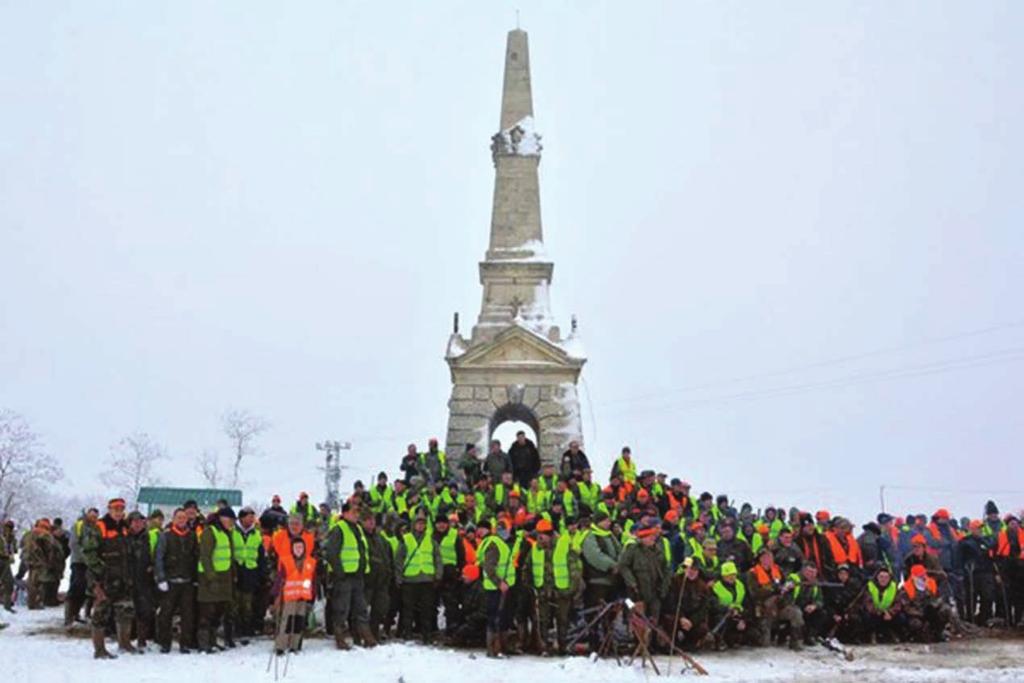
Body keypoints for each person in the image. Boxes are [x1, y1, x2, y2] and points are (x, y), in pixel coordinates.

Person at [82, 498, 134, 659]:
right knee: (101, 613)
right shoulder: (99, 526)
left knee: (124, 610)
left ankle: (124, 643)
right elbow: (89, 553)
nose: (118, 512)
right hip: (103, 578)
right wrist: (100, 572)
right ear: (109, 509)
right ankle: (99, 649)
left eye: (121, 509)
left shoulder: (125, 527)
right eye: (115, 509)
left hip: (123, 577)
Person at [525, 518, 580, 654]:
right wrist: (531, 588)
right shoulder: (535, 549)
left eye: (542, 536)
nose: (540, 539)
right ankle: (544, 647)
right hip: (543, 592)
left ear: (550, 535)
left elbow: (575, 570)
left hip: (562, 591)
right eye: (538, 536)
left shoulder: (564, 546)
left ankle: (563, 647)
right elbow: (527, 569)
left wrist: (570, 590)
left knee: (563, 620)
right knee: (543, 620)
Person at [324, 501, 373, 649]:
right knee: (341, 609)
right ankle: (340, 638)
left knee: (361, 608)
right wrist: (340, 573)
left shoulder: (358, 528)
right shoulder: (339, 529)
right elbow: (331, 553)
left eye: (357, 513)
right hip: (344, 577)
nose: (356, 515)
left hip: (357, 576)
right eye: (353, 512)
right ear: (344, 513)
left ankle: (366, 636)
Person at [618, 521, 670, 644]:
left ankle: (652, 643)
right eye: (650, 536)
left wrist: (664, 586)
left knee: (654, 618)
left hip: (655, 590)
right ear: (643, 538)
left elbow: (666, 569)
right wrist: (631, 582)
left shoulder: (658, 551)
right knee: (638, 618)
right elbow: (623, 566)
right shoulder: (633, 550)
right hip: (638, 592)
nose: (653, 538)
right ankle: (638, 642)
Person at [154, 507, 198, 654]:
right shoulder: (165, 536)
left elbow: (195, 557)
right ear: (173, 519)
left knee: (188, 615)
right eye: (178, 517)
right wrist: (161, 578)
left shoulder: (192, 536)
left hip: (187, 582)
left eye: (184, 517)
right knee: (165, 614)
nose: (181, 520)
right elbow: (158, 558)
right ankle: (164, 643)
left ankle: (184, 644)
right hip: (170, 581)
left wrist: (196, 578)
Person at [395, 512, 442, 644]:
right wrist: (398, 578)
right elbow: (399, 560)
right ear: (413, 525)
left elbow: (437, 558)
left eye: (423, 523)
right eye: (418, 523)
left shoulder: (431, 540)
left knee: (427, 610)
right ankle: (408, 633)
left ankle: (426, 635)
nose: (421, 526)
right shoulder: (406, 539)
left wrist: (438, 576)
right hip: (409, 579)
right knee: (408, 609)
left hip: (427, 579)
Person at [197, 507, 237, 653]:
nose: (232, 523)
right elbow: (205, 557)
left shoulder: (227, 533)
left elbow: (229, 555)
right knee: (207, 613)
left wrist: (233, 573)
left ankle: (212, 641)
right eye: (230, 520)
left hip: (224, 576)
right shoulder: (210, 532)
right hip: (210, 577)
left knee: (218, 612)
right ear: (222, 518)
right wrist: (211, 578)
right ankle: (203, 643)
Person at [272, 536, 316, 656]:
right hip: (289, 596)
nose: (298, 549)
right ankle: (281, 645)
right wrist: (276, 594)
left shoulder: (310, 562)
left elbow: (313, 580)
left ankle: (294, 645)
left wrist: (313, 596)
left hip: (303, 597)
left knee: (298, 622)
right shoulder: (286, 561)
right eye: (296, 547)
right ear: (292, 548)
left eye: (301, 547)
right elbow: (279, 579)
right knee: (286, 621)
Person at [360, 510, 393, 641]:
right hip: (366, 580)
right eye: (367, 520)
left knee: (379, 610)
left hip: (381, 581)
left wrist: (388, 573)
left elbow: (388, 556)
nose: (371, 522)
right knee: (362, 611)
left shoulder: (381, 538)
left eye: (372, 519)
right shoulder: (359, 537)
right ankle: (361, 635)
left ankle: (374, 634)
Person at [233, 506, 265, 639]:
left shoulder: (256, 534)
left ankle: (247, 629)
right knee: (235, 602)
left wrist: (261, 573)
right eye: (249, 517)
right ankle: (236, 629)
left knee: (248, 602)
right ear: (241, 518)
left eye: (253, 517)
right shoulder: (232, 532)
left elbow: (261, 555)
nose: (252, 519)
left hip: (251, 571)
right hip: (236, 569)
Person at [126, 511, 156, 650]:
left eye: (140, 521)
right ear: (130, 523)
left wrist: (153, 566)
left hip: (145, 579)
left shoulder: (150, 537)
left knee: (145, 609)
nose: (137, 524)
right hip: (128, 578)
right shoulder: (124, 537)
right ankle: (127, 638)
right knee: (127, 610)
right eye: (134, 521)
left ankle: (142, 639)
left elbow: (157, 554)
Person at [898, 564, 951, 642]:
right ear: (913, 576)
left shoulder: (931, 583)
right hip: (916, 614)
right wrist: (920, 614)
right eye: (920, 575)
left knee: (945, 610)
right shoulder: (906, 588)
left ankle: (938, 632)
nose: (923, 577)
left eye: (923, 574)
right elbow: (906, 607)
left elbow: (939, 597)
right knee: (916, 624)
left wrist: (934, 606)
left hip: (931, 611)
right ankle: (915, 635)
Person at [709, 561, 748, 649]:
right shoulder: (716, 587)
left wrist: (742, 616)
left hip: (737, 613)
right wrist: (728, 609)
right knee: (720, 618)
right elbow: (713, 605)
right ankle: (719, 640)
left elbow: (746, 603)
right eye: (728, 575)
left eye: (733, 574)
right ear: (723, 576)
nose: (731, 577)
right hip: (721, 615)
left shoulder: (740, 585)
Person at [863, 566, 901, 643]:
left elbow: (898, 603)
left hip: (889, 614)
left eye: (886, 577)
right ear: (877, 577)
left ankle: (892, 633)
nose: (883, 579)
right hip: (874, 613)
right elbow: (868, 603)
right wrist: (879, 612)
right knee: (866, 616)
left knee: (901, 617)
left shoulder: (894, 587)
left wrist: (890, 612)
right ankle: (872, 634)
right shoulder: (870, 586)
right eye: (881, 577)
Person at [0, 521, 16, 613]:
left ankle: (7, 606)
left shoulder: (9, 538)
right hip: (3, 560)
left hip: (5, 561)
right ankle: (7, 606)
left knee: (8, 583)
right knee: (8, 583)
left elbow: (13, 549)